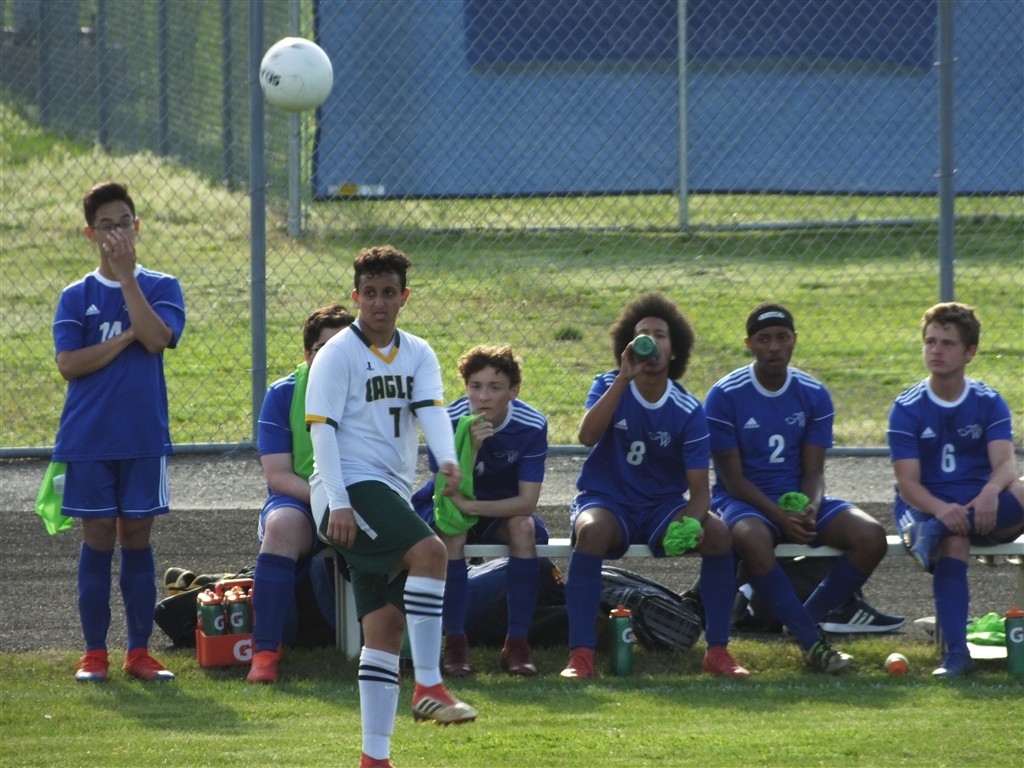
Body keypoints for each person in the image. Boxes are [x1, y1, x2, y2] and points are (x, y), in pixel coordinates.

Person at [305, 245, 476, 768]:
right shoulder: (337, 353)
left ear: (405, 297)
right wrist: (338, 503)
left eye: (388, 292)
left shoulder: (418, 352)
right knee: (431, 553)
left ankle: (373, 759)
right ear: (356, 296)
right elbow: (322, 434)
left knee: (384, 628)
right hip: (346, 490)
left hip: (386, 494)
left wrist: (448, 460)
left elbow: (434, 411)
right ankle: (429, 686)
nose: (378, 302)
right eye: (369, 293)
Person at [560, 292, 750, 679]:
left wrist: (691, 524)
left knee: (718, 533)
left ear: (674, 349)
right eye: (642, 335)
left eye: (659, 335)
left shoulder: (688, 409)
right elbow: (586, 436)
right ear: (628, 346)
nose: (650, 341)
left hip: (660, 508)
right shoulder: (608, 384)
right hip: (607, 501)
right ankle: (580, 656)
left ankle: (717, 651)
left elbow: (700, 493)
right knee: (592, 531)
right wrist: (623, 378)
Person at [704, 302, 897, 675]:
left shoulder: (813, 393)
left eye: (782, 338)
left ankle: (804, 619)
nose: (774, 347)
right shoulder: (725, 395)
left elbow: (814, 472)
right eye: (764, 339)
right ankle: (812, 643)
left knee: (871, 536)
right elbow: (733, 480)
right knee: (751, 538)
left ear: (794, 340)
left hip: (795, 499)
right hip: (744, 501)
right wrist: (780, 517)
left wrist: (809, 507)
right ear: (749, 344)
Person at [54, 181, 186, 683]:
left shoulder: (162, 286)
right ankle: (94, 653)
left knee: (136, 536)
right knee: (97, 536)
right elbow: (69, 364)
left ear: (138, 227)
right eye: (105, 225)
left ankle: (138, 652)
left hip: (142, 437)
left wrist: (128, 279)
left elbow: (155, 339)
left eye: (124, 223)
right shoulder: (76, 296)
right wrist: (127, 334)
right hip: (88, 439)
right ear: (90, 233)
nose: (116, 233)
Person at [888, 301, 1024, 677]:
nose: (936, 350)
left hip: (979, 505)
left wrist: (990, 493)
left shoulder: (988, 400)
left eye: (947, 343)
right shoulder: (907, 407)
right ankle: (957, 655)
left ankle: (934, 531)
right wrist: (940, 512)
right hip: (924, 505)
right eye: (930, 341)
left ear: (970, 352)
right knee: (954, 541)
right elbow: (908, 484)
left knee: (1021, 489)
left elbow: (1005, 466)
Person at [412, 345, 550, 677]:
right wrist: (471, 449)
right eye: (475, 386)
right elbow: (448, 493)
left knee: (524, 528)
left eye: (495, 387)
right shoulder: (447, 420)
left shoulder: (531, 425)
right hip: (448, 505)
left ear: (514, 391)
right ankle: (455, 644)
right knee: (453, 532)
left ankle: (517, 645)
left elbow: (526, 502)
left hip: (498, 509)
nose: (483, 396)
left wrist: (472, 506)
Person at [246, 302, 355, 683]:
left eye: (344, 348)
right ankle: (265, 652)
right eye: (325, 349)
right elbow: (278, 476)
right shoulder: (283, 393)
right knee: (282, 526)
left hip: (361, 497)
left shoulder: (371, 390)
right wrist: (333, 501)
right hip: (303, 499)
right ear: (308, 354)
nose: (335, 357)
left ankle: (396, 649)